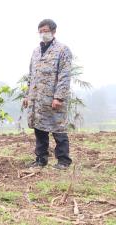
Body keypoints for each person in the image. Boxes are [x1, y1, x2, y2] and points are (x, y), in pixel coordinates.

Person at [23, 19, 73, 170]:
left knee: (58, 129)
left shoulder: (63, 50)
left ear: (53, 31)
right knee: (39, 129)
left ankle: (63, 160)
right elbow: (31, 75)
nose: (43, 34)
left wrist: (59, 97)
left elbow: (65, 75)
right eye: (40, 31)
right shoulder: (36, 51)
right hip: (37, 99)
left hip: (53, 99)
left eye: (45, 31)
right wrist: (27, 95)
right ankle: (41, 159)